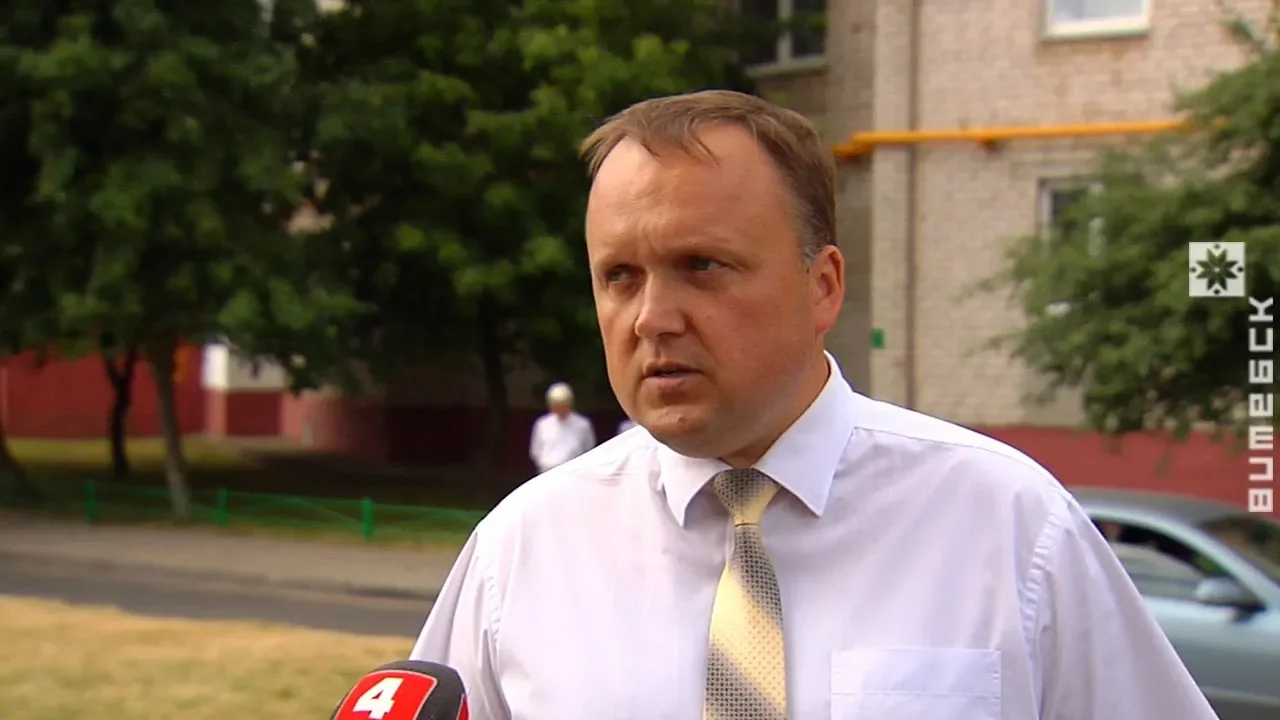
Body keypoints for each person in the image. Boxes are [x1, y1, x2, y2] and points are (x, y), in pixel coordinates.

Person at [409, 90, 1218, 719]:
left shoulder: (1007, 526)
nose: (652, 317)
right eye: (620, 276)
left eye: (702, 266)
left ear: (823, 285)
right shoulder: (522, 551)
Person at [527, 382, 595, 475]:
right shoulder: (542, 424)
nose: (559, 409)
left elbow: (589, 449)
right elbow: (535, 451)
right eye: (555, 405)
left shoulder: (583, 425)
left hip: (573, 472)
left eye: (563, 405)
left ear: (569, 403)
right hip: (547, 472)